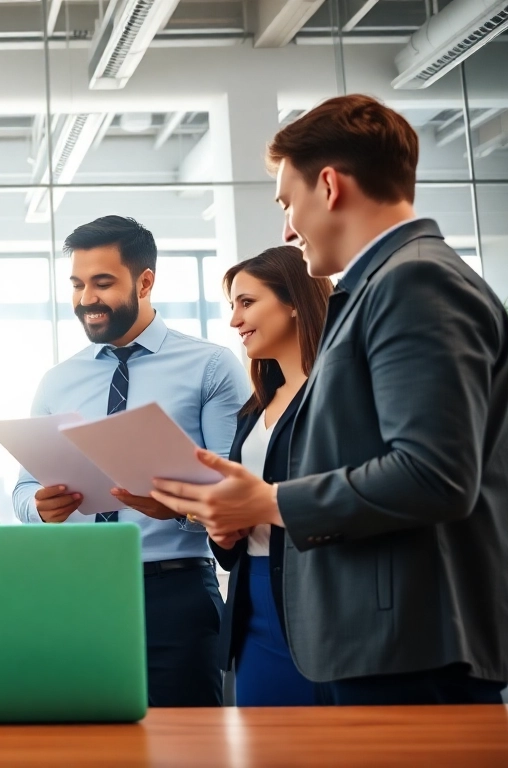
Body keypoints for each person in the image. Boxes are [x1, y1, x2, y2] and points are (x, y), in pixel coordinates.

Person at [151, 94, 508, 705]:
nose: (287, 228)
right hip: (384, 641)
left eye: (287, 203)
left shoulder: (415, 280)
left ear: (329, 186)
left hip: (410, 648)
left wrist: (268, 501)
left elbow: (434, 475)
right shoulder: (385, 284)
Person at [12, 215, 248, 707]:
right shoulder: (57, 381)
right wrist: (40, 507)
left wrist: (178, 509)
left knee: (186, 740)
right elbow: (23, 489)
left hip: (174, 593)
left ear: (145, 282)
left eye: (102, 283)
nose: (86, 299)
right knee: (82, 739)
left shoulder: (209, 367)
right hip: (75, 591)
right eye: (77, 284)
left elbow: (236, 493)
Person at [211, 246, 331, 707]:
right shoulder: (255, 408)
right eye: (233, 306)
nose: (235, 320)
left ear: (294, 302)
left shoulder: (334, 394)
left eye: (247, 302)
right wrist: (223, 533)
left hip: (318, 597)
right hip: (253, 600)